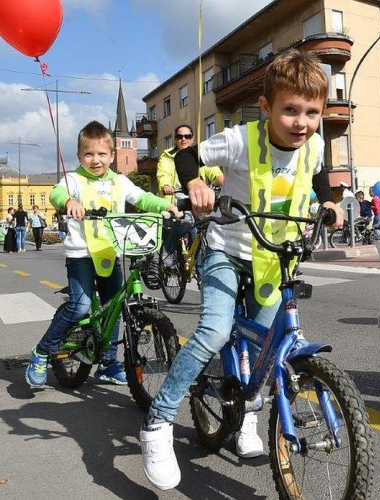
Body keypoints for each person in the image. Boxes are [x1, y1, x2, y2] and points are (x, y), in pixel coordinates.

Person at [139, 49, 344, 491]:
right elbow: (187, 156)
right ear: (266, 107)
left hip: (274, 256)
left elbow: (319, 172)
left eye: (312, 112)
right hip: (226, 251)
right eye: (290, 110)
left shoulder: (313, 145)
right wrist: (195, 181)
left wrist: (329, 202)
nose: (302, 122)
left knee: (266, 345)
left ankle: (249, 415)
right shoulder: (240, 140)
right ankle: (158, 421)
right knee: (215, 331)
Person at [25, 121, 180, 389]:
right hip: (82, 254)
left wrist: (167, 206)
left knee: (115, 308)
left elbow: (143, 198)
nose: (95, 160)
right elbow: (57, 193)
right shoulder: (74, 180)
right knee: (80, 306)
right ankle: (42, 352)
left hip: (110, 251)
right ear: (79, 156)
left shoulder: (120, 181)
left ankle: (108, 363)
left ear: (111, 155)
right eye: (88, 154)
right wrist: (69, 201)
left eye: (101, 154)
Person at [157, 124, 224, 260]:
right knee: (188, 223)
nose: (183, 139)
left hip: (197, 198)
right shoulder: (167, 156)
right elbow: (163, 173)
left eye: (187, 136)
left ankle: (200, 269)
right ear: (175, 139)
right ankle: (167, 248)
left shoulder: (198, 155)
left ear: (192, 139)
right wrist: (165, 186)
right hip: (176, 198)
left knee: (203, 229)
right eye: (179, 136)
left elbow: (214, 171)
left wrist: (223, 182)